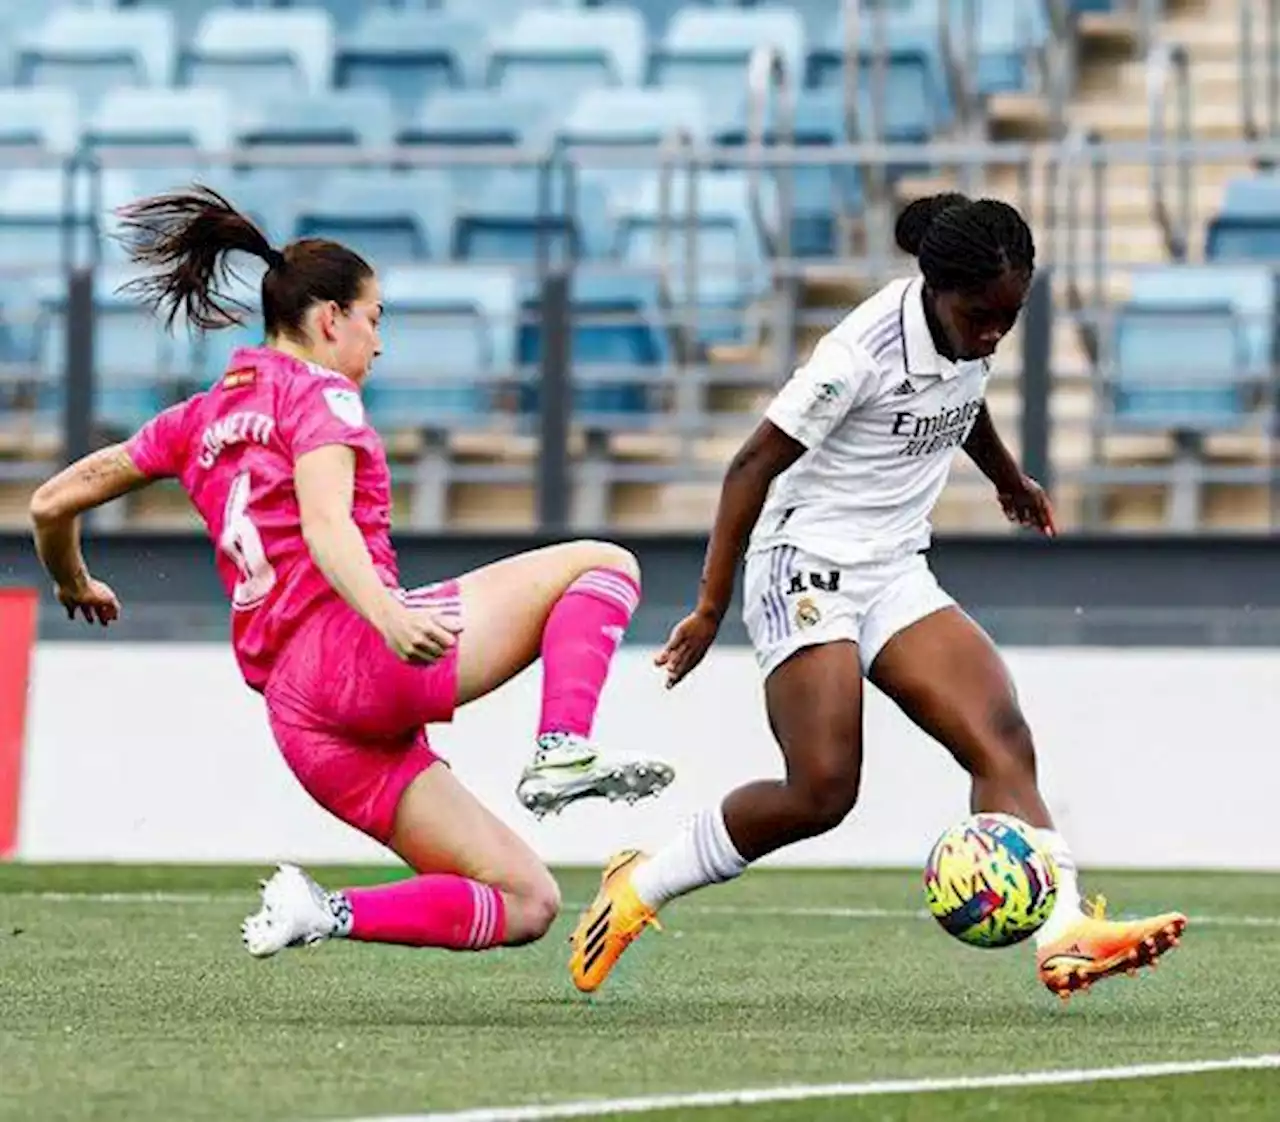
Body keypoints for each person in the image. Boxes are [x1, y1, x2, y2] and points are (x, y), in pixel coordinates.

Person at [28, 185, 674, 960]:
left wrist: (72, 582)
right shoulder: (323, 395)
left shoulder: (197, 418)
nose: (378, 342)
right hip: (358, 656)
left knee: (527, 900)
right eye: (374, 319)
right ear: (330, 318)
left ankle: (321, 911)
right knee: (603, 564)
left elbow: (50, 502)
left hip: (302, 721)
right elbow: (326, 526)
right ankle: (562, 746)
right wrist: (389, 617)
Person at [568, 193, 1186, 1000]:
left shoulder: (973, 324)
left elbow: (959, 400)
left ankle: (1064, 933)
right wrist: (712, 607)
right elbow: (750, 465)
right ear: (936, 289)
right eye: (982, 316)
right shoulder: (857, 353)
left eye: (1011, 315)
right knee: (822, 790)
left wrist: (1008, 478)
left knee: (1001, 736)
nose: (994, 333)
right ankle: (639, 885)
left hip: (893, 566)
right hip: (806, 564)